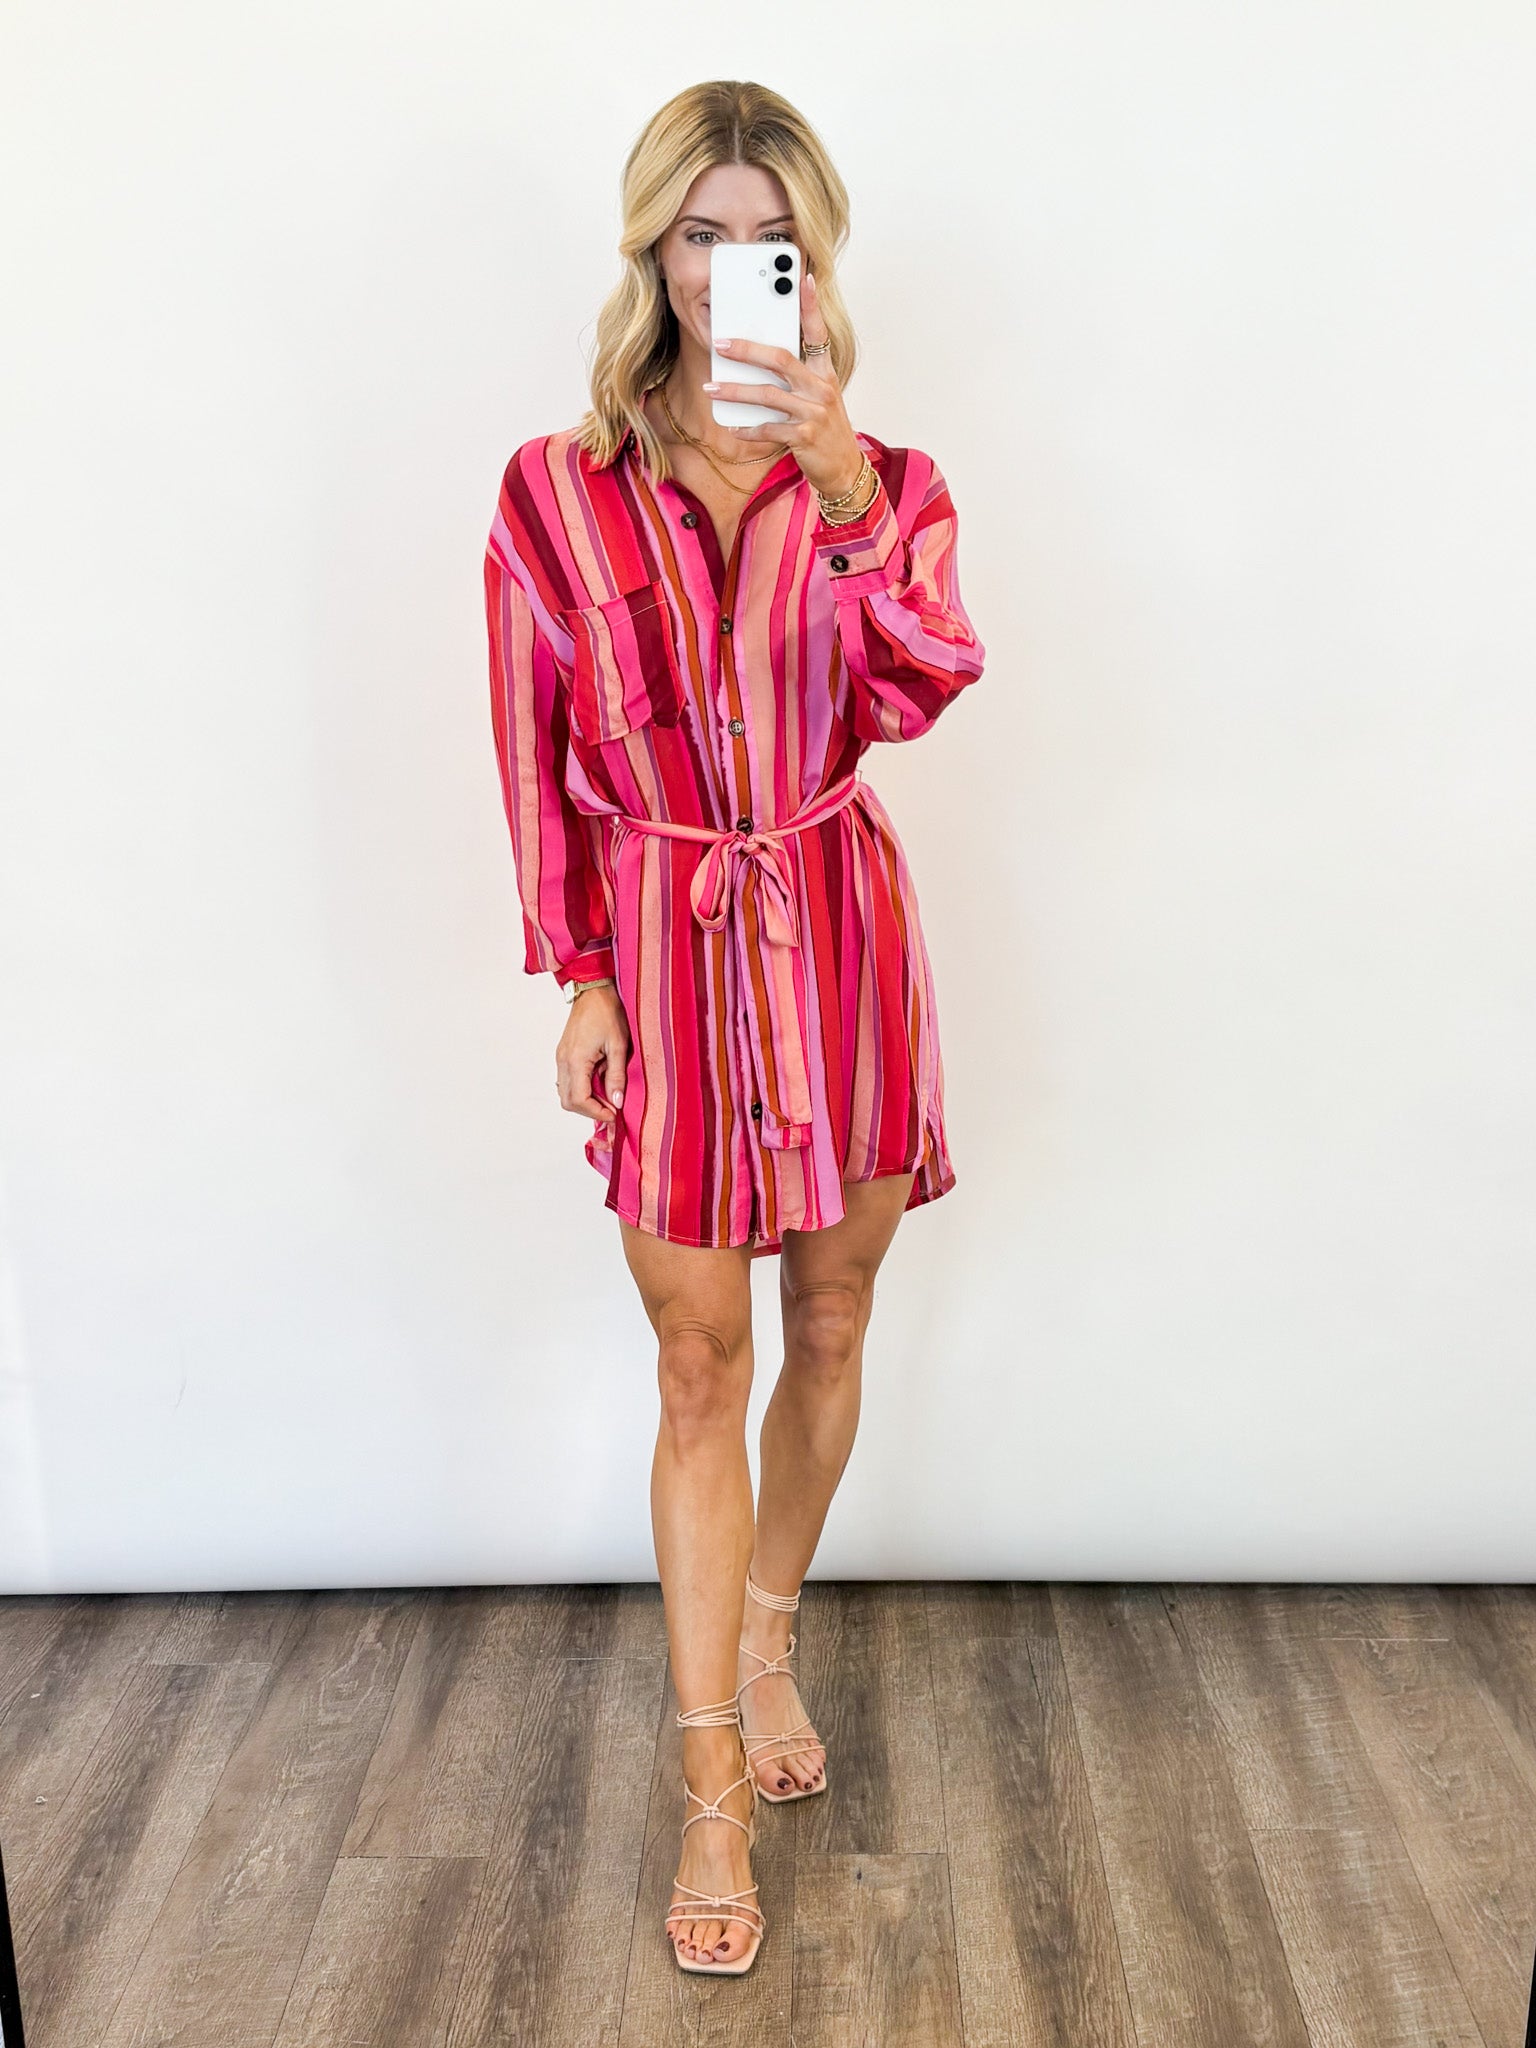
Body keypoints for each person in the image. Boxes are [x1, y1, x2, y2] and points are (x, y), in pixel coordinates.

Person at [483, 79, 985, 1977]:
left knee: (832, 1322)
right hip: (672, 952)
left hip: (838, 934)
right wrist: (581, 972)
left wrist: (847, 495)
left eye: (766, 239)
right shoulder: (553, 491)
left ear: (813, 259)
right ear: (652, 250)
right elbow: (533, 749)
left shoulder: (889, 483)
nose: (727, 272)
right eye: (698, 234)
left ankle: (769, 1628)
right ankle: (710, 1780)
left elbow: (926, 686)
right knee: (698, 1363)